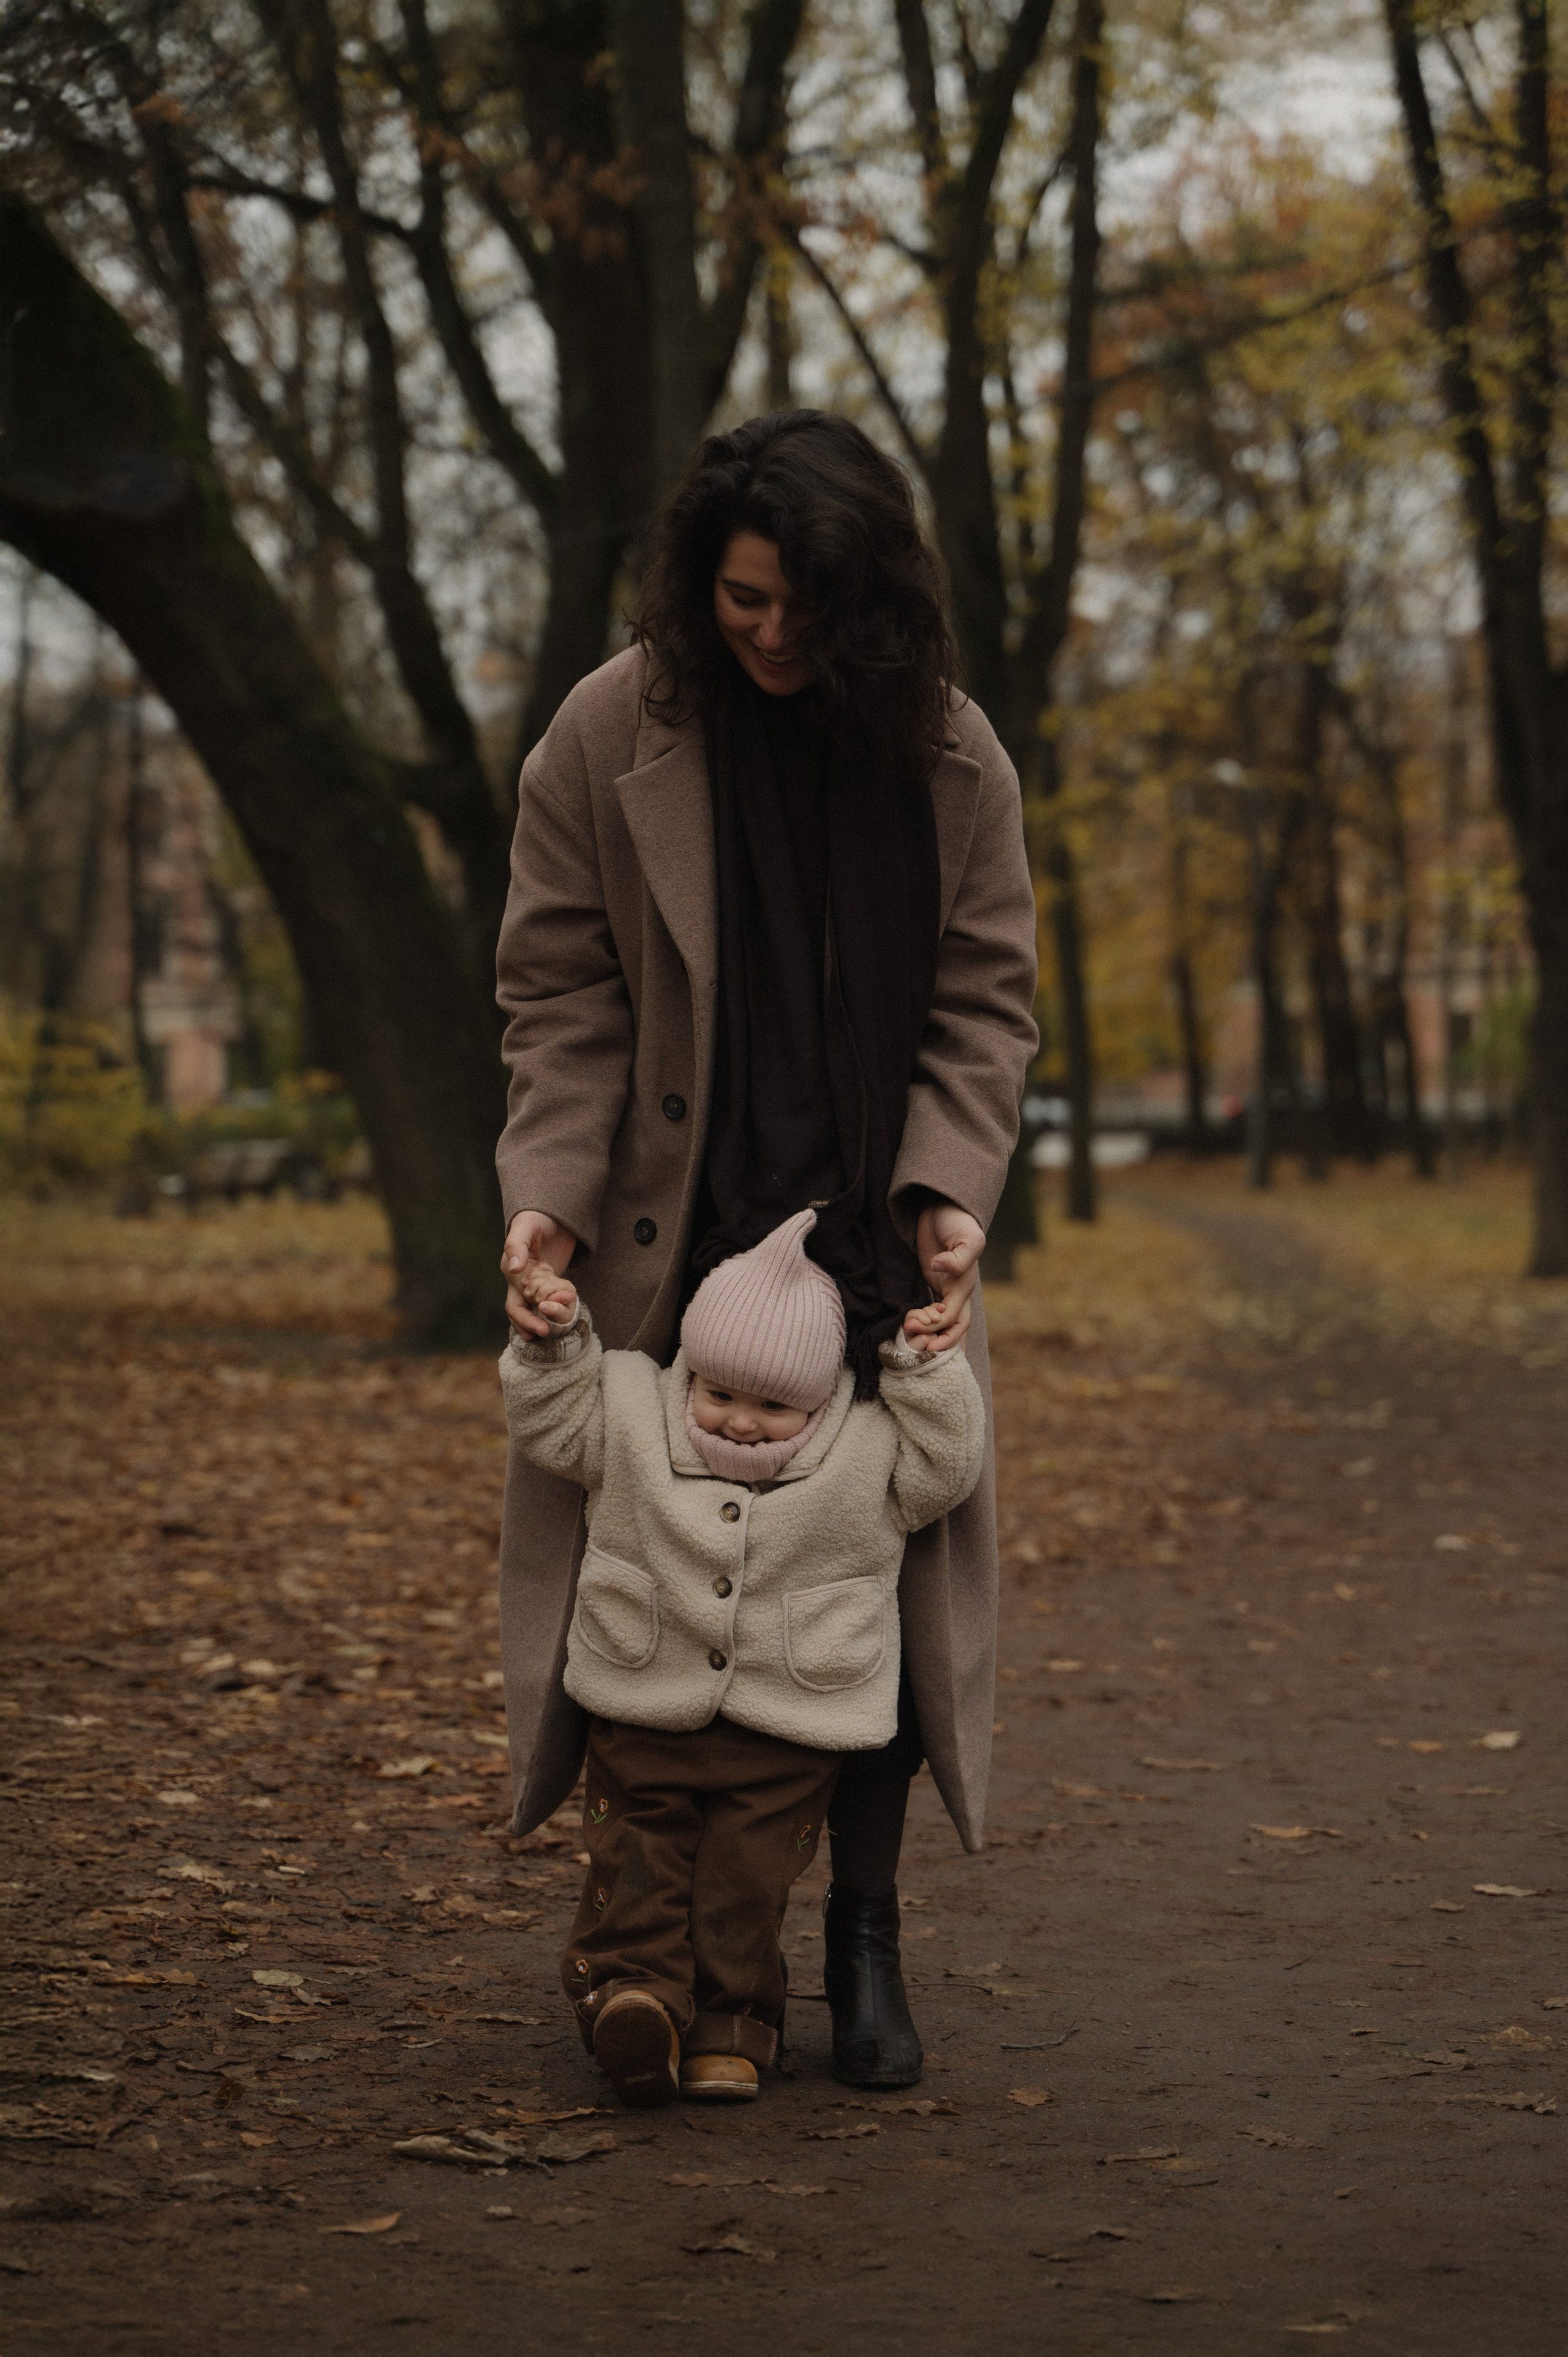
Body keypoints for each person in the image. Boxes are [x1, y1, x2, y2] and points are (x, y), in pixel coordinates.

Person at [494, 407, 1037, 2087]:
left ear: (868, 596)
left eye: (806, 603)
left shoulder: (948, 756)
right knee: (651, 1590)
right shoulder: (609, 732)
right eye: (741, 602)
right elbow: (561, 989)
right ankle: (652, 1941)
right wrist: (551, 1194)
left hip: (873, 1236)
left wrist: (947, 1191)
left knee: (858, 1582)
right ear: (695, 585)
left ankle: (858, 1937)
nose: (774, 633)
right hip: (675, 1230)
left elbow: (982, 999)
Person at [499, 1210, 984, 2105]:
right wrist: (556, 1341)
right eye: (720, 1394)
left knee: (746, 1881)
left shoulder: (870, 1449)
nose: (743, 1423)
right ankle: (634, 1999)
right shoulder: (632, 1409)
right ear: (691, 1368)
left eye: (774, 1407)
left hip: (788, 1725)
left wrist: (922, 1369)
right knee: (635, 1856)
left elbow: (948, 1469)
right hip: (642, 1698)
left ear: (823, 1399)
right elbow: (552, 1425)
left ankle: (733, 2025)